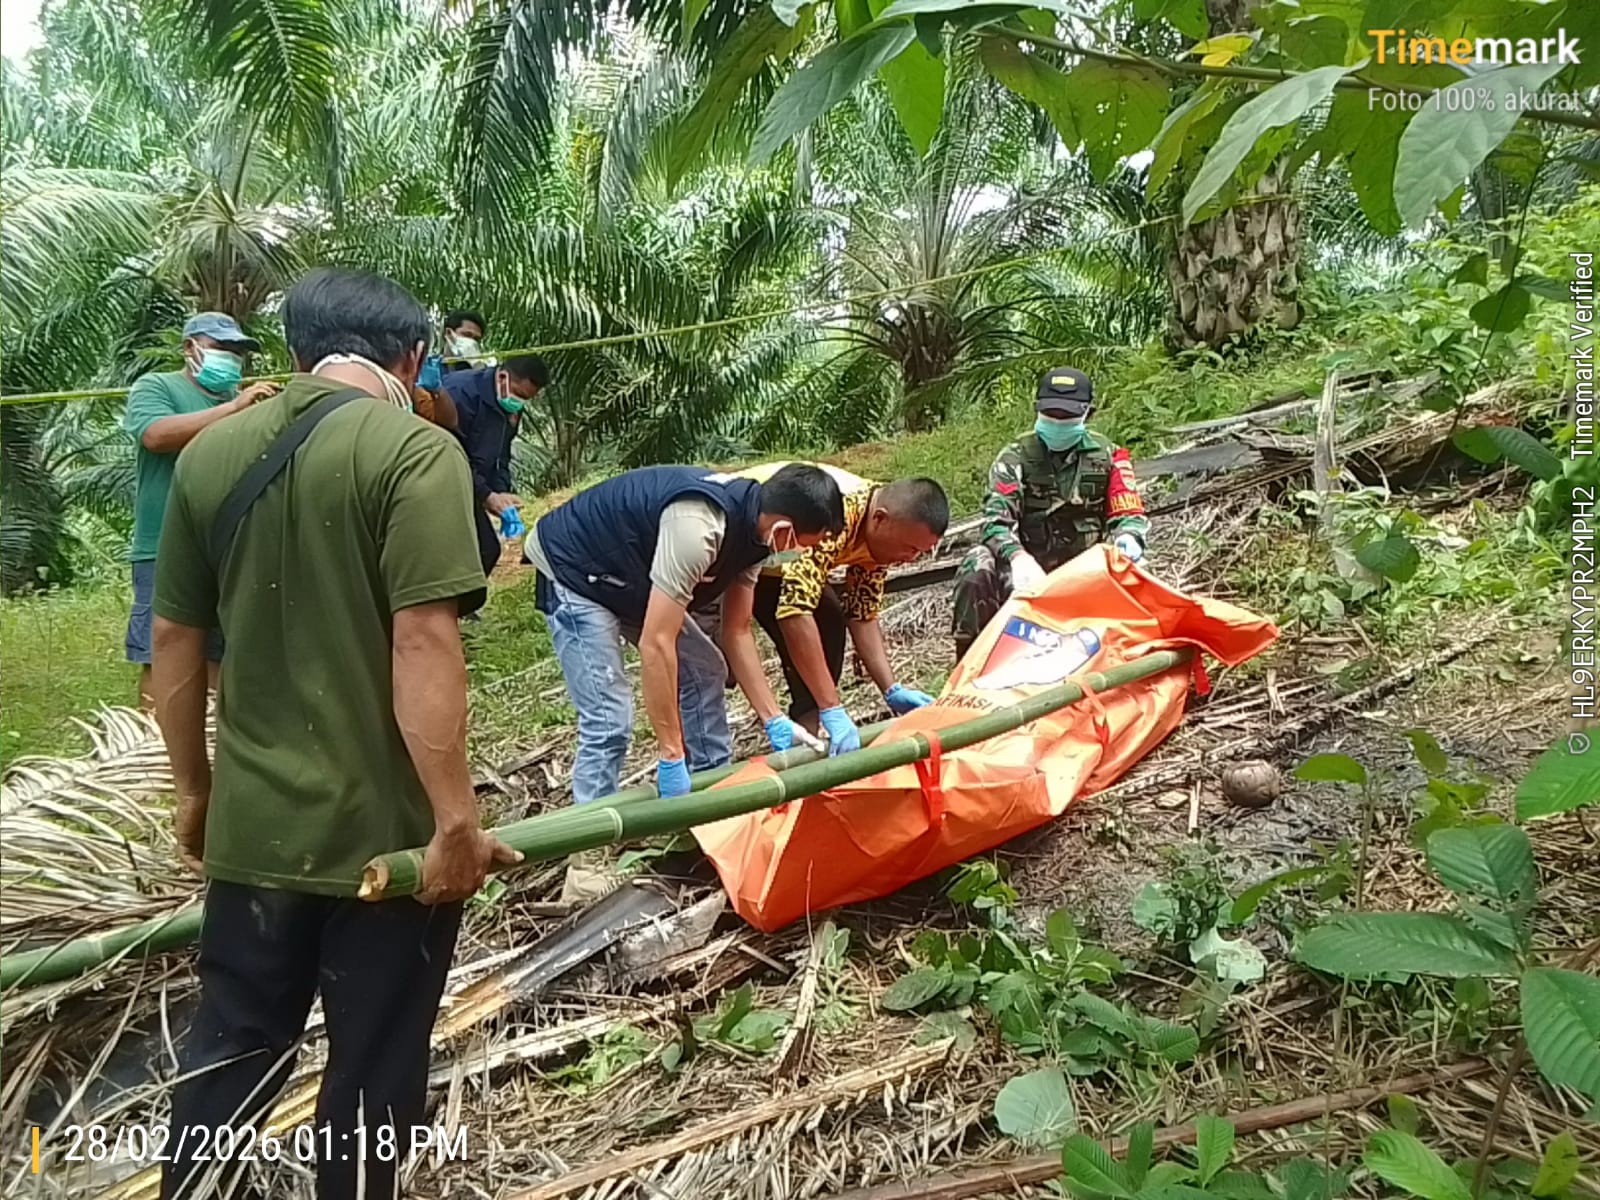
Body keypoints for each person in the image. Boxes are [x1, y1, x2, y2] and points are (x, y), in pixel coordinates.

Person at [150, 267, 518, 1200]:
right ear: (416, 357)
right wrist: (454, 822)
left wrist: (197, 793)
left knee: (228, 1057)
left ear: (296, 353)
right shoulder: (412, 452)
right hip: (384, 844)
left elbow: (173, 640)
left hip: (255, 834)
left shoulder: (209, 457)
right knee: (371, 1073)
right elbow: (424, 638)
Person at [524, 464, 845, 901]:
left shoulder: (758, 537)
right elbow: (657, 643)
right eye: (805, 545)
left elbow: (737, 631)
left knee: (706, 669)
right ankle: (587, 862)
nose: (802, 555)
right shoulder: (699, 527)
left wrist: (773, 719)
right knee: (608, 718)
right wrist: (670, 755)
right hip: (579, 569)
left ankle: (713, 804)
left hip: (636, 575)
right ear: (786, 527)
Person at [732, 463, 949, 754]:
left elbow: (863, 614)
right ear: (881, 520)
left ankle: (807, 735)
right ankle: (707, 767)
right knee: (706, 667)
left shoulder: (877, 536)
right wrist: (832, 707)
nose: (910, 559)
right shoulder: (835, 515)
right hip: (722, 548)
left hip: (771, 566)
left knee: (829, 622)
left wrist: (891, 689)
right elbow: (794, 610)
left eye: (920, 553)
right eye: (909, 548)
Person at [120, 313, 278, 706]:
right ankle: (152, 752)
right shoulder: (156, 386)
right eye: (221, 347)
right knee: (163, 654)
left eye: (238, 351)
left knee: (218, 652)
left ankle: (206, 746)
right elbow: (156, 435)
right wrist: (236, 408)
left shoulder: (239, 403)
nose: (231, 357)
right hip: (163, 545)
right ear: (189, 348)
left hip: (225, 548)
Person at [952, 367, 1150, 662]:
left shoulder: (1109, 456)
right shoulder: (1015, 457)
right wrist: (1018, 558)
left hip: (1086, 573)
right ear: (1038, 410)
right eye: (1051, 414)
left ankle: (1132, 660)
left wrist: (1128, 537)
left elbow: (1128, 512)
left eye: (1066, 416)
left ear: (1087, 413)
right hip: (1025, 574)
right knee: (976, 564)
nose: (1057, 422)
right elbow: (995, 523)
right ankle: (970, 662)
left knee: (1141, 571)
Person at [443, 354, 549, 576]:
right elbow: (451, 455)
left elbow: (501, 451)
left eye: (525, 400)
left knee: (485, 550)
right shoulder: (460, 394)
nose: (519, 404)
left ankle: (461, 606)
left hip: (474, 483)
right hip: (445, 480)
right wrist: (487, 495)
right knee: (475, 550)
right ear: (502, 377)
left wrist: (502, 490)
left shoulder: (511, 404)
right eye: (519, 395)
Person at [441, 308, 486, 372]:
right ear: (449, 333)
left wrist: (477, 364)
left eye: (476, 339)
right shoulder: (428, 368)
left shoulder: (481, 369)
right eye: (467, 335)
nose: (471, 342)